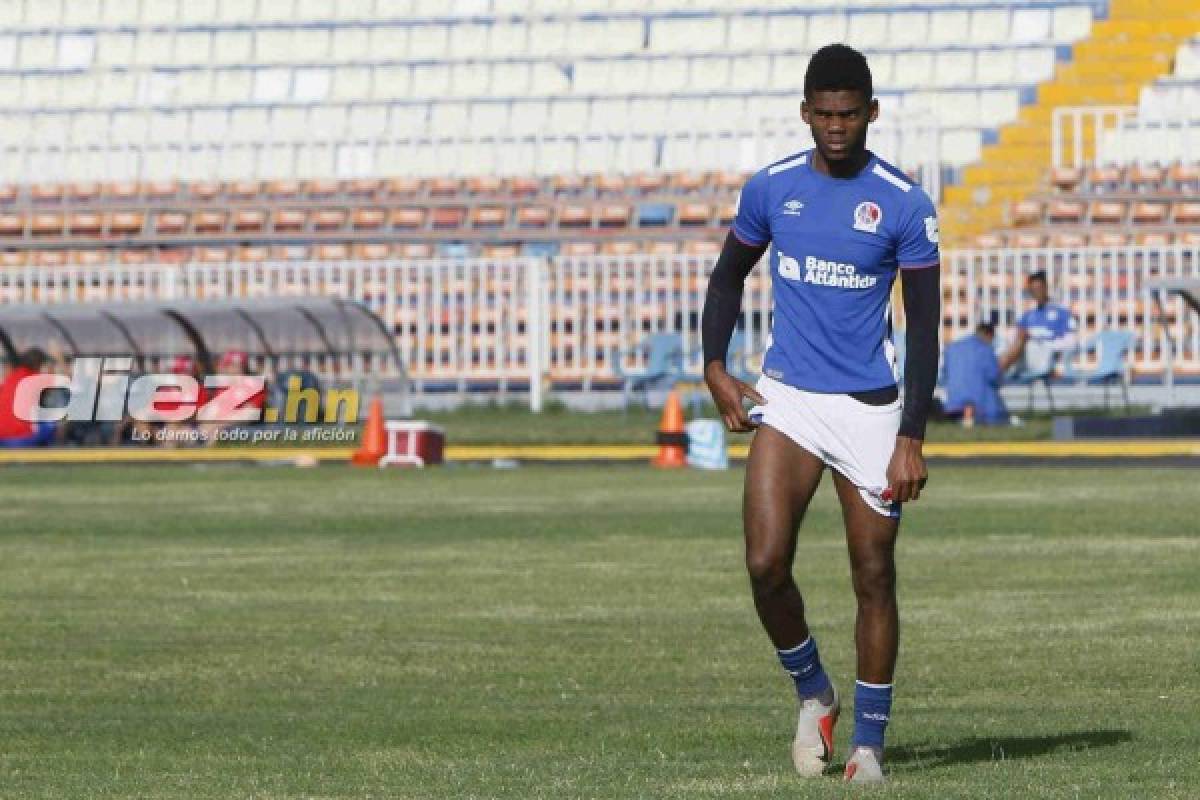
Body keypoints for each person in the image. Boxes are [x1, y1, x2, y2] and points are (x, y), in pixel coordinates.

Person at [701, 44, 941, 784]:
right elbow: (727, 277)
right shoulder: (771, 189)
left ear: (871, 113)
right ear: (806, 114)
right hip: (792, 399)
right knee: (765, 563)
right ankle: (814, 691)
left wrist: (911, 438)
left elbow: (926, 327)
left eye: (849, 114)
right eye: (823, 114)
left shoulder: (903, 202)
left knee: (873, 574)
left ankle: (868, 747)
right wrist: (715, 367)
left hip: (872, 410)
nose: (836, 127)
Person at [998, 270, 1078, 376]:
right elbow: (1014, 335)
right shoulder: (1028, 315)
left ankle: (995, 372)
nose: (1037, 292)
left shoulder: (1061, 312)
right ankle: (996, 370)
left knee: (1021, 339)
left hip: (1046, 355)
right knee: (1006, 342)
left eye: (1039, 288)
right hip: (1024, 355)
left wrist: (1045, 344)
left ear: (1046, 288)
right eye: (1033, 290)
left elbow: (1071, 341)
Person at [942, 322, 1009, 425]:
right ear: (989, 335)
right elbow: (994, 377)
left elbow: (945, 375)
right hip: (981, 408)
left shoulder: (951, 348)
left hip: (953, 406)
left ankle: (965, 417)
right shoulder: (985, 349)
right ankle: (971, 417)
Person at [0, 348, 59, 447]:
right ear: (39, 365)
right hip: (22, 438)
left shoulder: (10, 378)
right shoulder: (36, 378)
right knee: (51, 425)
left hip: (1, 437)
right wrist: (58, 361)